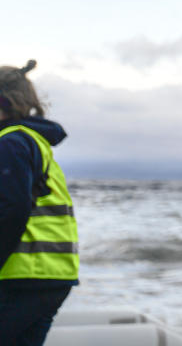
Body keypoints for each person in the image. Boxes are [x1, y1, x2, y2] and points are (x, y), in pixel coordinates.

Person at [0, 61, 79, 345]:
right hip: (53, 275)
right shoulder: (33, 140)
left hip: (23, 276)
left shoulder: (10, 143)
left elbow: (13, 209)